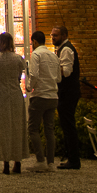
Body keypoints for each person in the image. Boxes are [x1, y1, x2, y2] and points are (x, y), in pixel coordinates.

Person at [0, 33, 28, 174]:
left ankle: (5, 163)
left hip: (3, 95)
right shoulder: (18, 59)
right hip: (16, 95)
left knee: (3, 128)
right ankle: (18, 161)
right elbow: (19, 77)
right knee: (17, 127)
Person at [25, 29, 61, 171]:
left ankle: (40, 160)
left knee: (33, 128)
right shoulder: (54, 56)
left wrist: (29, 87)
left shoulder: (36, 54)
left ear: (34, 42)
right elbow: (59, 78)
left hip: (40, 95)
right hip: (53, 96)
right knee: (49, 130)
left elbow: (33, 74)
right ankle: (51, 163)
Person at [53, 25, 81, 169]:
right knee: (66, 125)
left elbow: (67, 71)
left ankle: (74, 159)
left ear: (64, 36)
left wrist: (52, 72)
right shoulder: (62, 49)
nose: (53, 38)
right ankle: (70, 156)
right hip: (66, 92)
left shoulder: (66, 50)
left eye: (55, 35)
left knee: (68, 125)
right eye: (52, 35)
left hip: (68, 93)